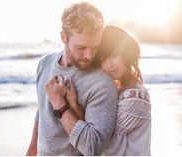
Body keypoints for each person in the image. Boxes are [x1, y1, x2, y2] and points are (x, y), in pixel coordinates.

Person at [25, 2, 118, 156]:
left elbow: (93, 148)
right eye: (81, 47)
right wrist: (32, 149)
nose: (89, 55)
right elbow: (41, 110)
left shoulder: (102, 84)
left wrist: (59, 103)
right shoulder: (45, 63)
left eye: (95, 47)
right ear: (64, 37)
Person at [47, 25, 152, 155]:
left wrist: (72, 104)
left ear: (126, 52)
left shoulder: (134, 99)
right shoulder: (122, 87)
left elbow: (104, 148)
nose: (110, 64)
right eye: (102, 59)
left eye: (114, 55)